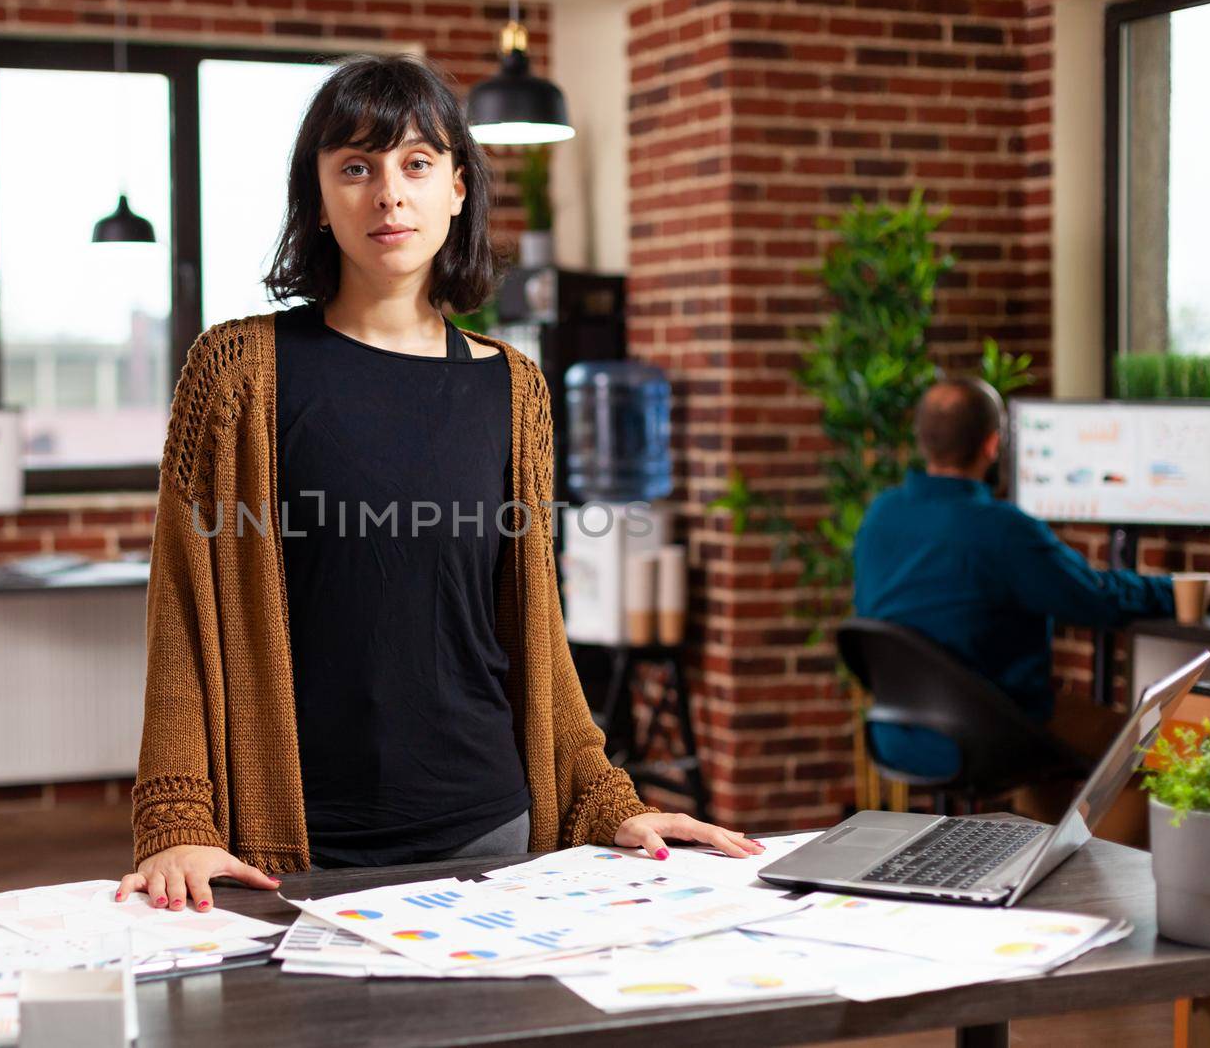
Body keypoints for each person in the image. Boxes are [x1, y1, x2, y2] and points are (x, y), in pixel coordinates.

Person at [114, 53, 759, 914]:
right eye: (356, 166)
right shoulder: (238, 373)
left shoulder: (514, 386)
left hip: (493, 833)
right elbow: (183, 613)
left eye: (416, 164)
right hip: (297, 847)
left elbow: (531, 627)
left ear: (458, 187)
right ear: (317, 198)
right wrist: (177, 816)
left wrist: (609, 800)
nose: (389, 193)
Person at [853, 378, 1175, 833]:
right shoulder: (1001, 530)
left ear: (923, 439)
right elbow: (1094, 599)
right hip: (989, 735)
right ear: (991, 444)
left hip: (896, 731)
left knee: (1047, 744)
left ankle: (1047, 862)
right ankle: (1100, 882)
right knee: (1144, 744)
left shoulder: (880, 517)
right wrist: (1175, 590)